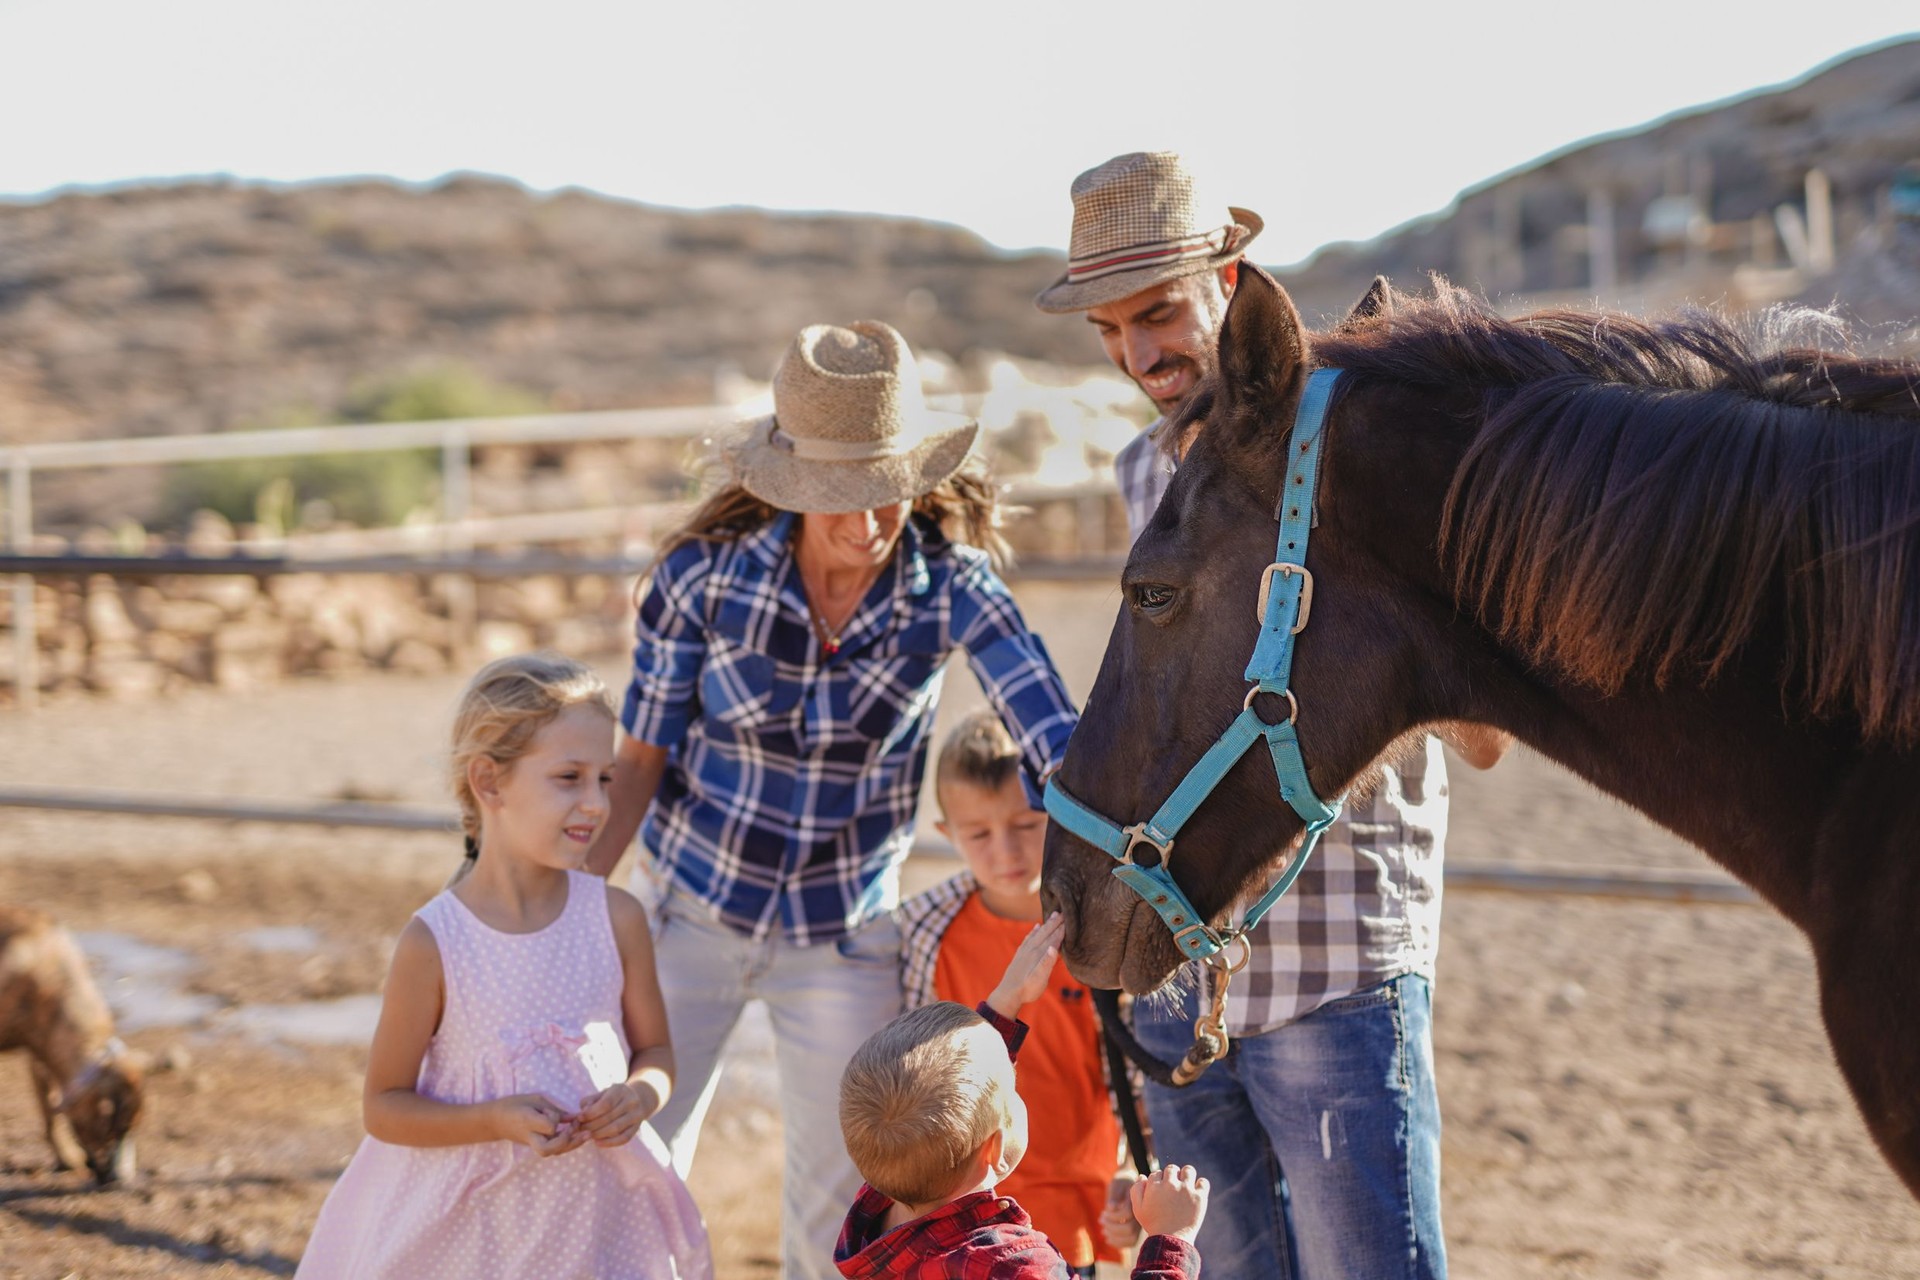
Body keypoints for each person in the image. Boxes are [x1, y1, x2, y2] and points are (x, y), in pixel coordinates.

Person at [1036, 151, 1510, 1280]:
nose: (1136, 353)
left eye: (1156, 312)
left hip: (1336, 967)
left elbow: (1482, 730)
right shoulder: (1143, 472)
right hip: (1177, 972)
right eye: (1108, 327)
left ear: (1230, 282)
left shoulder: (1359, 452)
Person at [584, 320, 1080, 1279]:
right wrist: (556, 916)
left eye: (885, 495)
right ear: (794, 486)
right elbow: (638, 762)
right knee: (632, 1168)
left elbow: (1048, 726)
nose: (866, 526)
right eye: (839, 501)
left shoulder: (951, 586)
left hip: (845, 934)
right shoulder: (702, 579)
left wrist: (1102, 846)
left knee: (843, 1206)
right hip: (688, 915)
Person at [295, 652, 711, 1279]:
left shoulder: (617, 919)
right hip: (471, 1233)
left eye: (604, 778)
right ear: (489, 783)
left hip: (595, 1225)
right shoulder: (435, 944)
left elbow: (656, 1054)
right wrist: (491, 1119)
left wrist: (640, 1096)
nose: (597, 803)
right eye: (569, 777)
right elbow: (383, 1106)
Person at [899, 711, 1133, 1275]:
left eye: (1027, 824)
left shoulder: (1098, 927)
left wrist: (1129, 1167)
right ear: (946, 836)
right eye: (979, 833)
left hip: (1071, 1206)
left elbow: (1130, 1065)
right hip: (959, 1216)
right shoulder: (925, 932)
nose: (1005, 851)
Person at [834, 998, 1206, 1279]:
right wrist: (1170, 1239)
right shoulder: (1016, 1266)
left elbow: (938, 1100)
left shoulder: (875, 1215)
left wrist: (1005, 1004)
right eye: (1013, 1091)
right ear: (994, 1148)